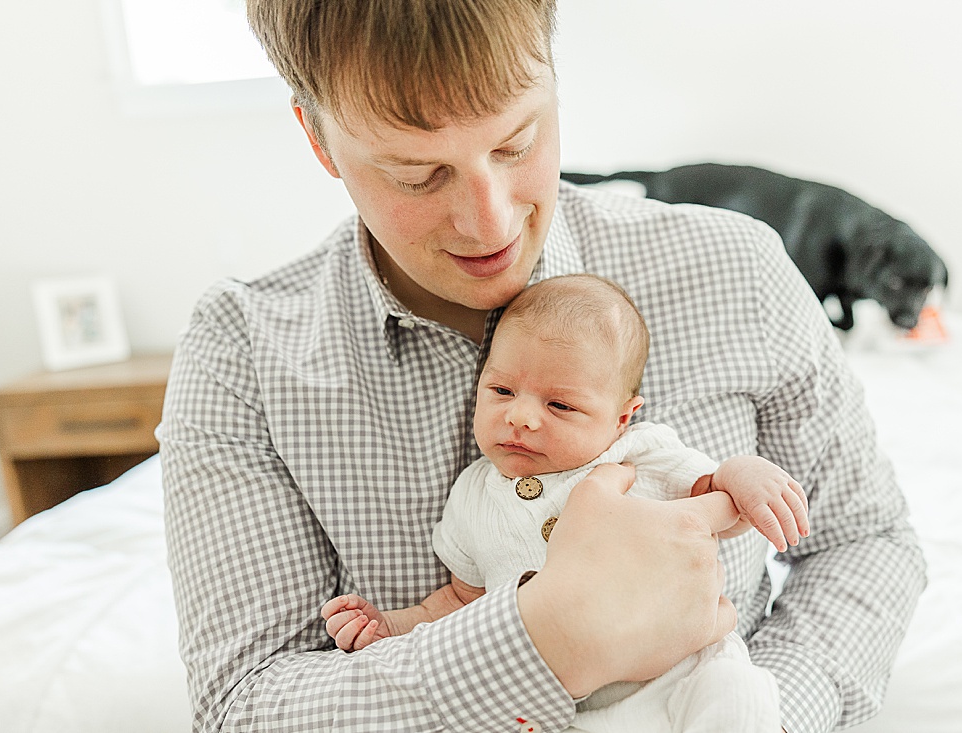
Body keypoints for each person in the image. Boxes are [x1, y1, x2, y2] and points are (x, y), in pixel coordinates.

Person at [157, 1, 927, 732]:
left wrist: (752, 711)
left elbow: (865, 540)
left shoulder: (736, 270)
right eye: (416, 174)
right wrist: (544, 640)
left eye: (516, 142)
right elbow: (243, 705)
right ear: (318, 139)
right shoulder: (241, 354)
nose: (489, 220)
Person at [321, 273, 803, 732]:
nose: (522, 417)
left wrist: (744, 474)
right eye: (502, 390)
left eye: (561, 406)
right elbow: (459, 602)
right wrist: (390, 625)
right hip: (566, 704)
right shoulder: (472, 495)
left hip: (685, 677)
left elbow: (713, 501)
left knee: (735, 694)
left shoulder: (639, 452)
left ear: (621, 418)